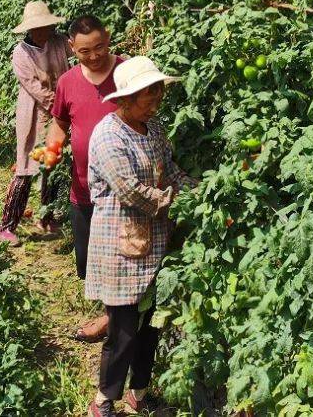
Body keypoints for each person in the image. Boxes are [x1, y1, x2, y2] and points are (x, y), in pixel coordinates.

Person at [85, 56, 193, 417]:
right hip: (120, 247)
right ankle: (103, 400)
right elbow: (131, 191)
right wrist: (174, 201)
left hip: (155, 243)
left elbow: (172, 172)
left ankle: (139, 393)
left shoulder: (155, 128)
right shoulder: (108, 135)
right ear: (125, 99)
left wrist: (202, 193)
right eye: (149, 97)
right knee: (124, 331)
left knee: (150, 326)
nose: (155, 104)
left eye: (158, 95)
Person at [47, 15, 125, 342]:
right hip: (82, 190)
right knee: (86, 260)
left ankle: (111, 320)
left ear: (108, 38)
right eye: (84, 51)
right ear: (71, 47)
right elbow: (60, 122)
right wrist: (51, 149)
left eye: (99, 47)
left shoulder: (126, 72)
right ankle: (109, 313)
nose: (93, 56)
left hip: (121, 193)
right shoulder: (67, 82)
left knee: (118, 260)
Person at [0, 1, 71, 246]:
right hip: (34, 115)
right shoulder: (21, 53)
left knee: (53, 166)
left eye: (46, 26)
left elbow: (81, 52)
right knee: (26, 169)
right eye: (37, 28)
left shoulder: (60, 42)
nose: (43, 31)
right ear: (28, 29)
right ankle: (6, 226)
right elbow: (37, 90)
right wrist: (65, 109)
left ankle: (46, 218)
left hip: (59, 115)